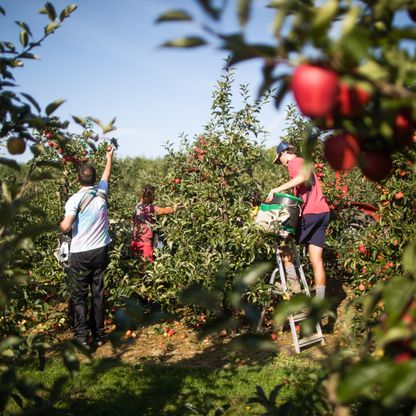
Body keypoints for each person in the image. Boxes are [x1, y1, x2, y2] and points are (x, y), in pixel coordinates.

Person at [60, 146, 114, 347]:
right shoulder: (101, 192)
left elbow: (66, 225)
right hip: (100, 250)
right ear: (93, 180)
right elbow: (106, 175)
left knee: (80, 294)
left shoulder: (74, 199)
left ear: (78, 180)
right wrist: (109, 156)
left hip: (81, 253)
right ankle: (99, 335)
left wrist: (58, 225)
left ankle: (82, 337)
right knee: (98, 292)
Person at [266, 142, 330, 299]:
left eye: (279, 159)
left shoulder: (294, 162)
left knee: (281, 241)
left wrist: (276, 189)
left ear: (283, 154)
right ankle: (320, 301)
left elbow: (303, 177)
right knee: (316, 259)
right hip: (323, 213)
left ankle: (294, 284)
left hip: (311, 213)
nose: (280, 163)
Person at [130, 184, 177, 262]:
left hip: (135, 242)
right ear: (148, 196)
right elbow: (167, 211)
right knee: (147, 267)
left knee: (136, 267)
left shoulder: (137, 207)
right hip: (145, 245)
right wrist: (179, 206)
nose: (154, 197)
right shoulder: (150, 209)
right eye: (153, 195)